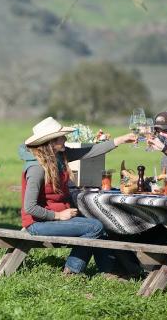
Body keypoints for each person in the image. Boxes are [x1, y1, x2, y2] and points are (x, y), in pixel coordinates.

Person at [18, 116, 136, 275]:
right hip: (37, 223)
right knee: (95, 227)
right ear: (51, 142)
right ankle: (72, 270)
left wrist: (120, 140)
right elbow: (30, 207)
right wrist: (58, 215)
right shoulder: (36, 168)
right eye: (61, 136)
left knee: (103, 221)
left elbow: (91, 150)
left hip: (53, 217)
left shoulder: (59, 156)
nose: (65, 138)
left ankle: (110, 272)